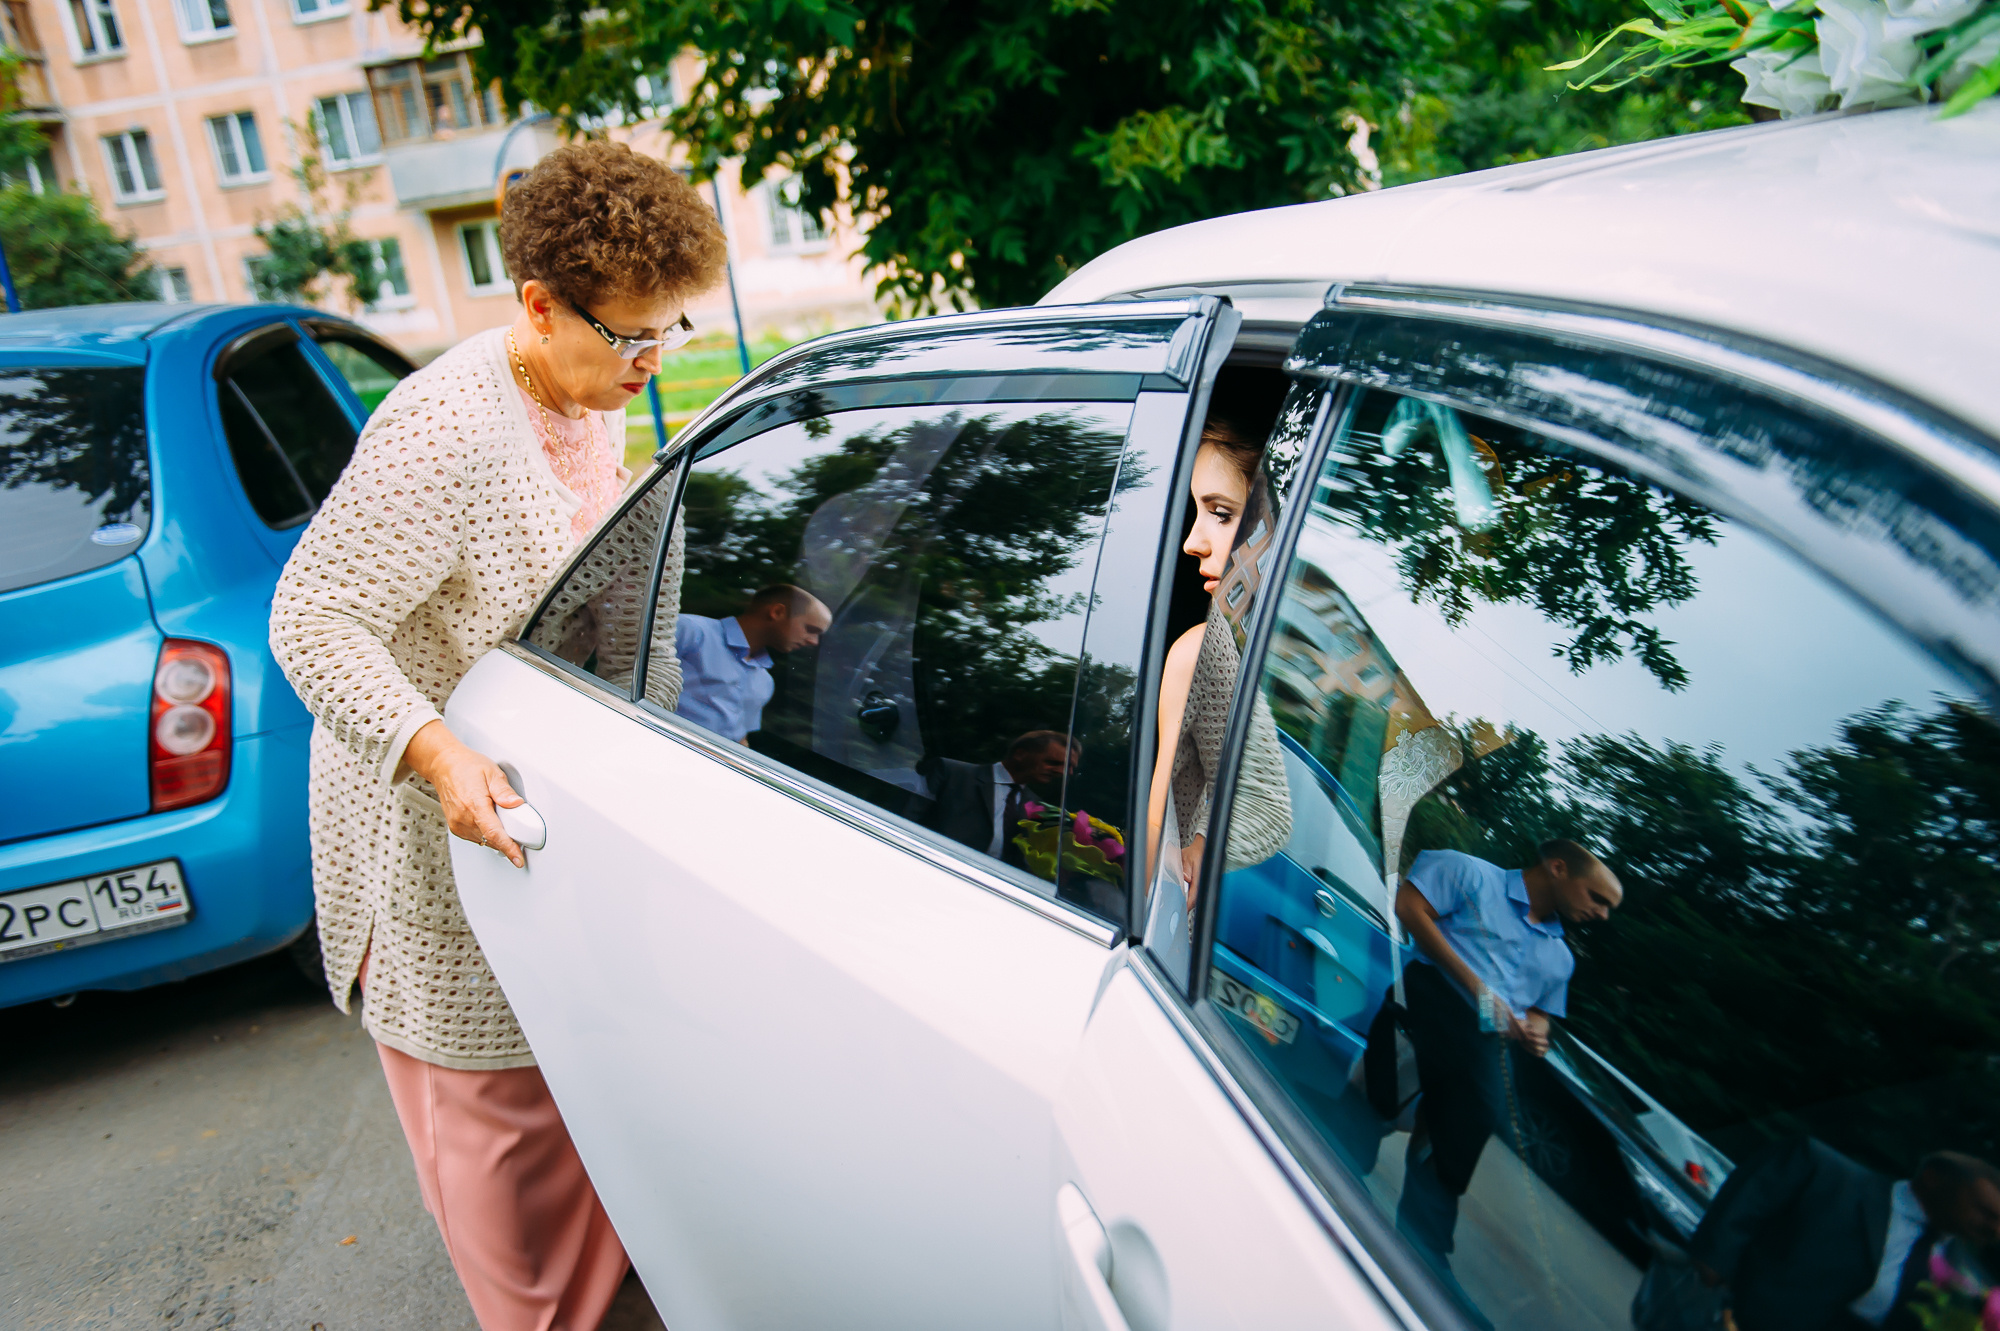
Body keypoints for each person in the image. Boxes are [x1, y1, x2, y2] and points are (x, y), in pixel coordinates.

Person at [268, 140, 728, 1331]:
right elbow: (310, 620)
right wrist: (439, 755)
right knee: (500, 1136)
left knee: (569, 1103)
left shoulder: (581, 400)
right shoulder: (447, 434)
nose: (649, 361)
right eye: (630, 335)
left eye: (668, 331)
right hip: (432, 832)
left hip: (530, 816)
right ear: (537, 303)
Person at [1390, 840, 1622, 1255]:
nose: (1601, 913)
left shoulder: (1561, 958)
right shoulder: (1471, 873)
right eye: (1598, 898)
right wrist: (1479, 990)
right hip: (1422, 1012)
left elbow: (1539, 1010)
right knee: (1369, 1106)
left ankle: (1422, 1243)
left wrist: (1537, 1031)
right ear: (1558, 868)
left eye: (1608, 907)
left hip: (1482, 1049)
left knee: (1467, 1124)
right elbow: (1408, 907)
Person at [1143, 420, 1293, 970]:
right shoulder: (1203, 649)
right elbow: (1152, 834)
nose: (1191, 541)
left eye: (1222, 514)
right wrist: (1200, 844)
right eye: (1197, 509)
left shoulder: (1231, 649)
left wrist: (1202, 838)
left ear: (1269, 528)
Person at [1689, 1138, 2000, 1331]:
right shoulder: (1826, 1176)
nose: (1994, 1229)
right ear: (1932, 1179)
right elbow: (1746, 1205)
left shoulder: (1964, 1280)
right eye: (1985, 1212)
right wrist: (1710, 1269)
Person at [673, 584, 831, 743]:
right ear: (777, 612)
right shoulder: (690, 631)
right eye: (810, 629)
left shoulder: (765, 682)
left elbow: (740, 739)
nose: (814, 642)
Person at [923, 730, 1079, 867]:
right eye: (1053, 762)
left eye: (1068, 767)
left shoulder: (1035, 807)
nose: (1062, 772)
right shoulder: (952, 773)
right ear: (1020, 754)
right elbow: (911, 815)